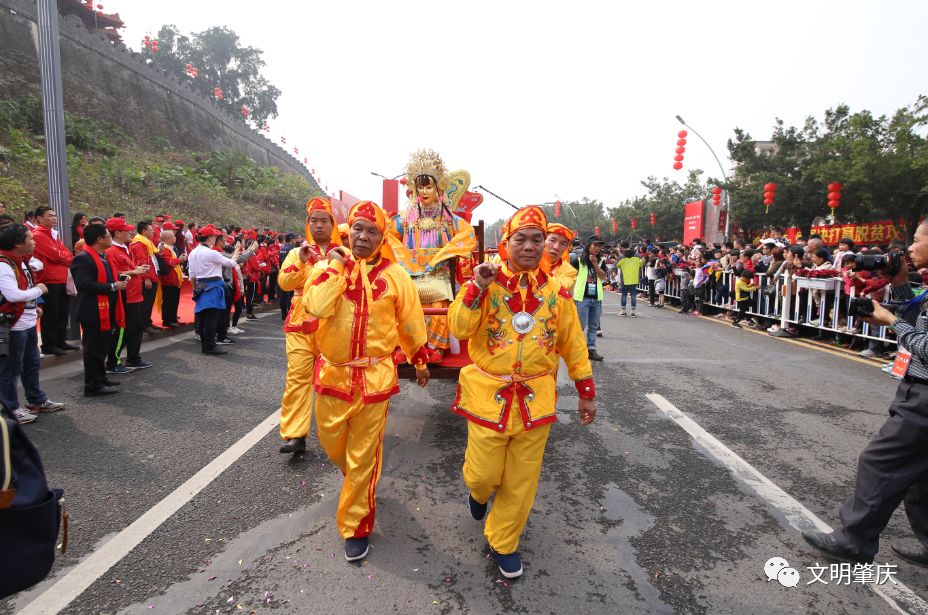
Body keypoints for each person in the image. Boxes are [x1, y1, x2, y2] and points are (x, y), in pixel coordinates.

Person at [448, 205, 596, 579]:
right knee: (483, 475)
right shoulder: (485, 281)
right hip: (488, 398)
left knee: (522, 479)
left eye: (537, 239)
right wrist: (475, 287)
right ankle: (478, 494)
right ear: (506, 243)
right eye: (521, 239)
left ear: (548, 245)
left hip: (536, 399)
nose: (530, 246)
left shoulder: (558, 293)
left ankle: (504, 541)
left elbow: (573, 344)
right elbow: (461, 328)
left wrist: (585, 388)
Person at [302, 200, 430, 562]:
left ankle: (356, 525)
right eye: (357, 228)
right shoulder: (328, 267)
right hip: (333, 375)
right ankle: (360, 482)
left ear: (382, 237)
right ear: (347, 230)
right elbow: (314, 307)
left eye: (371, 231)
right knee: (333, 445)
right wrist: (338, 266)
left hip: (374, 378)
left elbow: (410, 320)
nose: (362, 236)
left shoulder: (396, 276)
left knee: (362, 457)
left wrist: (419, 360)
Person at [803, 221, 928, 567]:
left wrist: (891, 322)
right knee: (922, 477)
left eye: (917, 241)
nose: (909, 249)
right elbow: (920, 322)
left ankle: (853, 540)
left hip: (924, 400)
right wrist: (900, 284)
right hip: (919, 389)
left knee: (880, 463)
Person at [391, 149, 477, 363]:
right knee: (403, 301)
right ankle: (408, 345)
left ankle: (435, 345)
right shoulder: (407, 217)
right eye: (420, 187)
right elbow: (388, 234)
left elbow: (467, 234)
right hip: (410, 273)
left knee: (438, 300)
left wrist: (445, 254)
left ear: (438, 188)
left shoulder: (447, 217)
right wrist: (403, 258)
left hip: (437, 273)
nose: (424, 191)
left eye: (428, 186)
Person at [276, 197, 342, 455]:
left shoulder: (343, 252)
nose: (318, 226)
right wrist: (303, 262)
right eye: (313, 221)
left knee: (334, 379)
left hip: (333, 323)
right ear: (307, 224)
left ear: (332, 224)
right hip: (300, 322)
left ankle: (337, 430)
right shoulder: (296, 252)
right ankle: (295, 434)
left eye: (324, 221)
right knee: (297, 378)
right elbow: (284, 283)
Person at [0, 224, 64, 424]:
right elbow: (13, 295)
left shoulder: (18, 261)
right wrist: (39, 290)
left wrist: (33, 305)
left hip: (25, 320)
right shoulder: (3, 264)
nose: (34, 241)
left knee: (32, 363)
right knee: (10, 368)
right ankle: (10, 408)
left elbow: (21, 289)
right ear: (18, 243)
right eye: (30, 238)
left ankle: (36, 400)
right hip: (13, 325)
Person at [70, 224, 127, 396]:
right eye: (108, 235)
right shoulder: (83, 258)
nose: (111, 238)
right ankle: (93, 385)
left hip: (106, 308)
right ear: (99, 239)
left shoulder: (104, 256)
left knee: (102, 346)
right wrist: (112, 286)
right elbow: (83, 284)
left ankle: (101, 378)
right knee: (93, 348)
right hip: (92, 310)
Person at [188, 226, 254, 355]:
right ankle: (210, 346)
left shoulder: (193, 253)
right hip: (213, 286)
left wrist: (195, 289)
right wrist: (236, 251)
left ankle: (205, 346)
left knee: (202, 318)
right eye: (213, 236)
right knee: (211, 319)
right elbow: (231, 263)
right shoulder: (211, 253)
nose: (215, 238)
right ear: (209, 238)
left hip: (200, 286)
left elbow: (192, 275)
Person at [104, 218, 150, 373]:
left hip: (134, 296)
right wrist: (134, 271)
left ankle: (133, 358)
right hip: (126, 297)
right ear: (117, 233)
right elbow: (112, 273)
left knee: (135, 329)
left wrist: (135, 269)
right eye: (126, 230)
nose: (130, 232)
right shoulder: (111, 251)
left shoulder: (123, 248)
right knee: (122, 331)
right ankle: (113, 363)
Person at [32, 206, 76, 356]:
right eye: (50, 215)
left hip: (61, 277)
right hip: (49, 279)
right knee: (51, 313)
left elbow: (66, 254)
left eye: (55, 215)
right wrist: (64, 257)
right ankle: (49, 344)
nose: (54, 218)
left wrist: (64, 257)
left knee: (63, 312)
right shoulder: (38, 235)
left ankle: (60, 341)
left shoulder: (53, 234)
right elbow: (56, 256)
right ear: (39, 218)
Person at [572, 236, 607, 361]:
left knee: (593, 325)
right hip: (582, 297)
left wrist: (595, 264)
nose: (597, 248)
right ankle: (575, 349)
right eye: (595, 245)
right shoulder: (578, 260)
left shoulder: (601, 260)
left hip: (596, 298)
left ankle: (591, 349)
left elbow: (603, 277)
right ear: (589, 246)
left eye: (599, 246)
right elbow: (568, 273)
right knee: (580, 325)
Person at [130, 221, 162, 333]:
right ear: (144, 231)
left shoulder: (147, 243)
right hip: (148, 277)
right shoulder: (140, 244)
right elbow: (142, 262)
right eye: (150, 230)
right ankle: (144, 325)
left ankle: (148, 322)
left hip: (153, 275)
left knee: (149, 301)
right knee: (146, 302)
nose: (153, 232)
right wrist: (146, 277)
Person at [158, 229, 186, 327]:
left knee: (174, 300)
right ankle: (167, 320)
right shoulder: (164, 249)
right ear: (167, 238)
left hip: (174, 278)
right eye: (172, 236)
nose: (174, 238)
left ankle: (173, 318)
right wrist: (180, 260)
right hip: (169, 279)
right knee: (169, 301)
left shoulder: (171, 248)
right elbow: (169, 262)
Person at [544, 223, 578, 290]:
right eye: (552, 240)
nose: (556, 247)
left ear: (566, 248)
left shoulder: (570, 271)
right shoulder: (528, 262)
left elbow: (559, 289)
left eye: (562, 244)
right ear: (542, 240)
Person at [617, 248, 644, 317]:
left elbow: (618, 266)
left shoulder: (623, 260)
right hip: (634, 280)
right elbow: (641, 264)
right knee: (633, 295)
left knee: (624, 295)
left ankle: (623, 311)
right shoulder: (637, 260)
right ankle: (633, 312)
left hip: (625, 280)